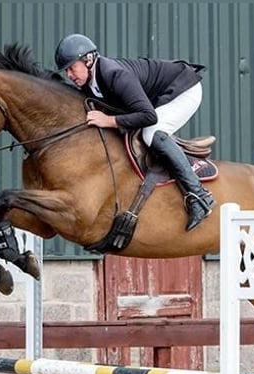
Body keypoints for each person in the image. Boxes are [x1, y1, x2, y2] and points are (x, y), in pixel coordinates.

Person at [54, 33, 215, 232]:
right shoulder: (91, 82)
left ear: (88, 60)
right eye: (66, 71)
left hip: (184, 89)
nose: (69, 75)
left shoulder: (114, 74)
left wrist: (109, 121)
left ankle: (199, 196)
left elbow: (148, 116)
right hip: (159, 97)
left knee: (151, 133)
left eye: (71, 68)